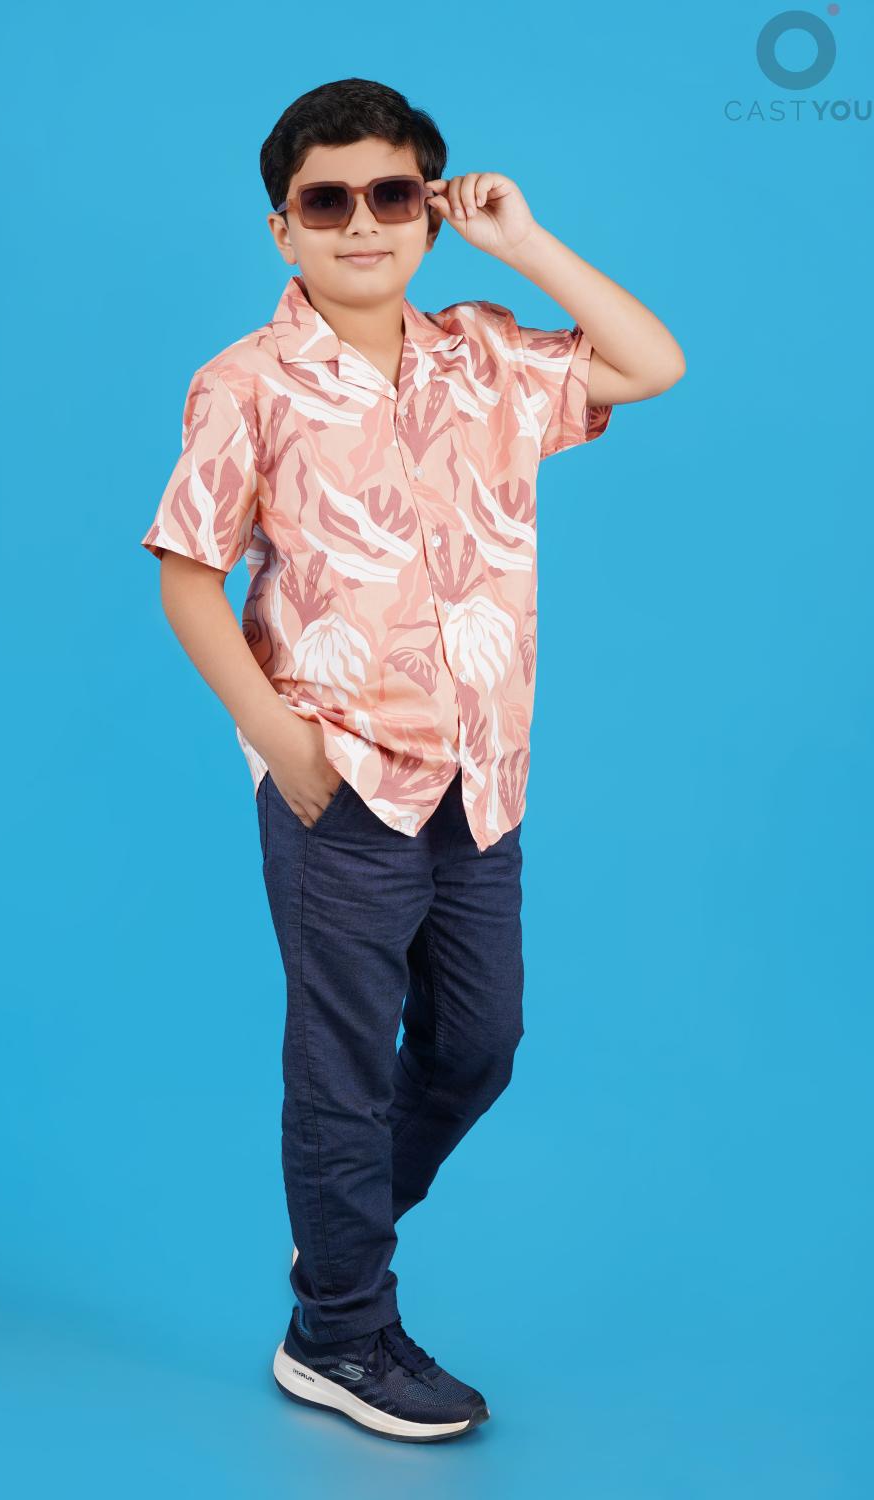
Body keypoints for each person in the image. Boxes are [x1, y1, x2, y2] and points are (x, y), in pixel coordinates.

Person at [140, 77, 685, 1444]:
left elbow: (651, 363)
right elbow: (190, 575)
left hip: (481, 778)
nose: (362, 223)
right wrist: (279, 741)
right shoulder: (246, 384)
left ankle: (341, 1233)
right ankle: (337, 1333)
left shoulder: (487, 356)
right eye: (326, 201)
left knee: (479, 1043)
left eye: (391, 194)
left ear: (428, 213)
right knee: (340, 1069)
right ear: (284, 229)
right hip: (341, 783)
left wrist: (525, 240)